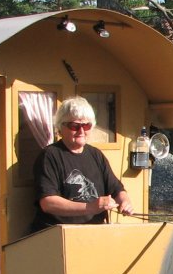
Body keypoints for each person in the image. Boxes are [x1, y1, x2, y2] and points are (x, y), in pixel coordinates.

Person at [32, 96, 134, 231]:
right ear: (60, 127)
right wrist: (90, 207)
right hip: (57, 234)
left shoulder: (96, 155)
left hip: (94, 233)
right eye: (74, 126)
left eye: (86, 125)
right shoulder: (49, 155)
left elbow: (116, 189)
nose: (81, 131)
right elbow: (48, 202)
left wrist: (125, 202)